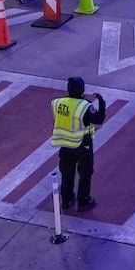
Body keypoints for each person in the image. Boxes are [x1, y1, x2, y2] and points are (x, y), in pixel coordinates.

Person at [50, 76, 106, 212]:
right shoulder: (85, 107)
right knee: (85, 173)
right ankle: (83, 201)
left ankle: (66, 199)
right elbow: (98, 121)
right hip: (82, 144)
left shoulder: (57, 103)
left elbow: (57, 117)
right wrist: (102, 104)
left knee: (66, 172)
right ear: (82, 90)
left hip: (64, 144)